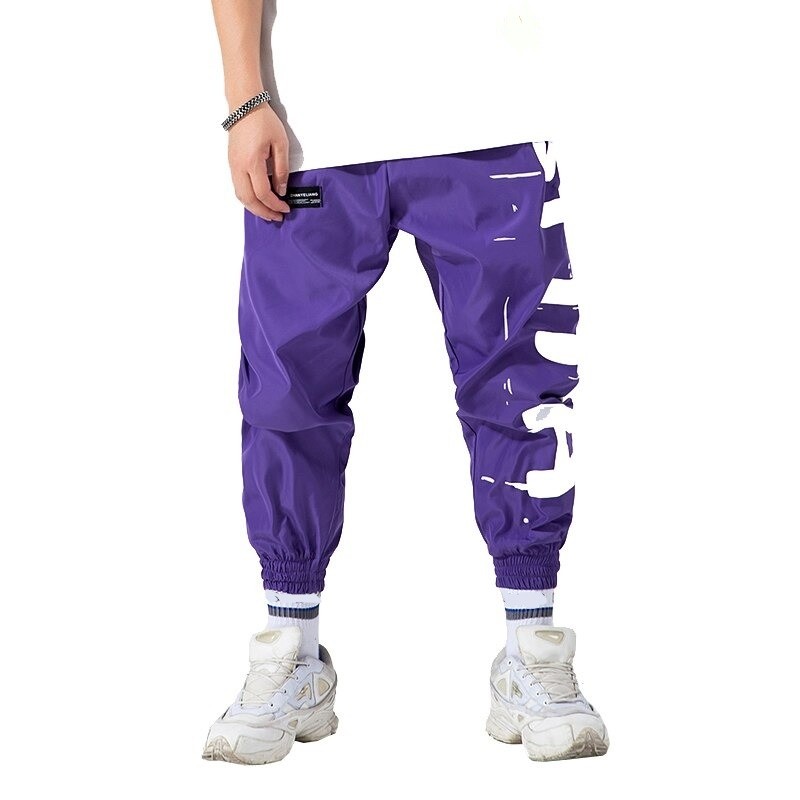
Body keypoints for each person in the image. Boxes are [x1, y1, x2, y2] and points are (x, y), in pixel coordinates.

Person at [203, 0, 609, 764]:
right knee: (288, 385)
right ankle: (291, 651)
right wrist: (245, 99)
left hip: (490, 102)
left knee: (521, 382)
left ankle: (533, 649)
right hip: (314, 119)